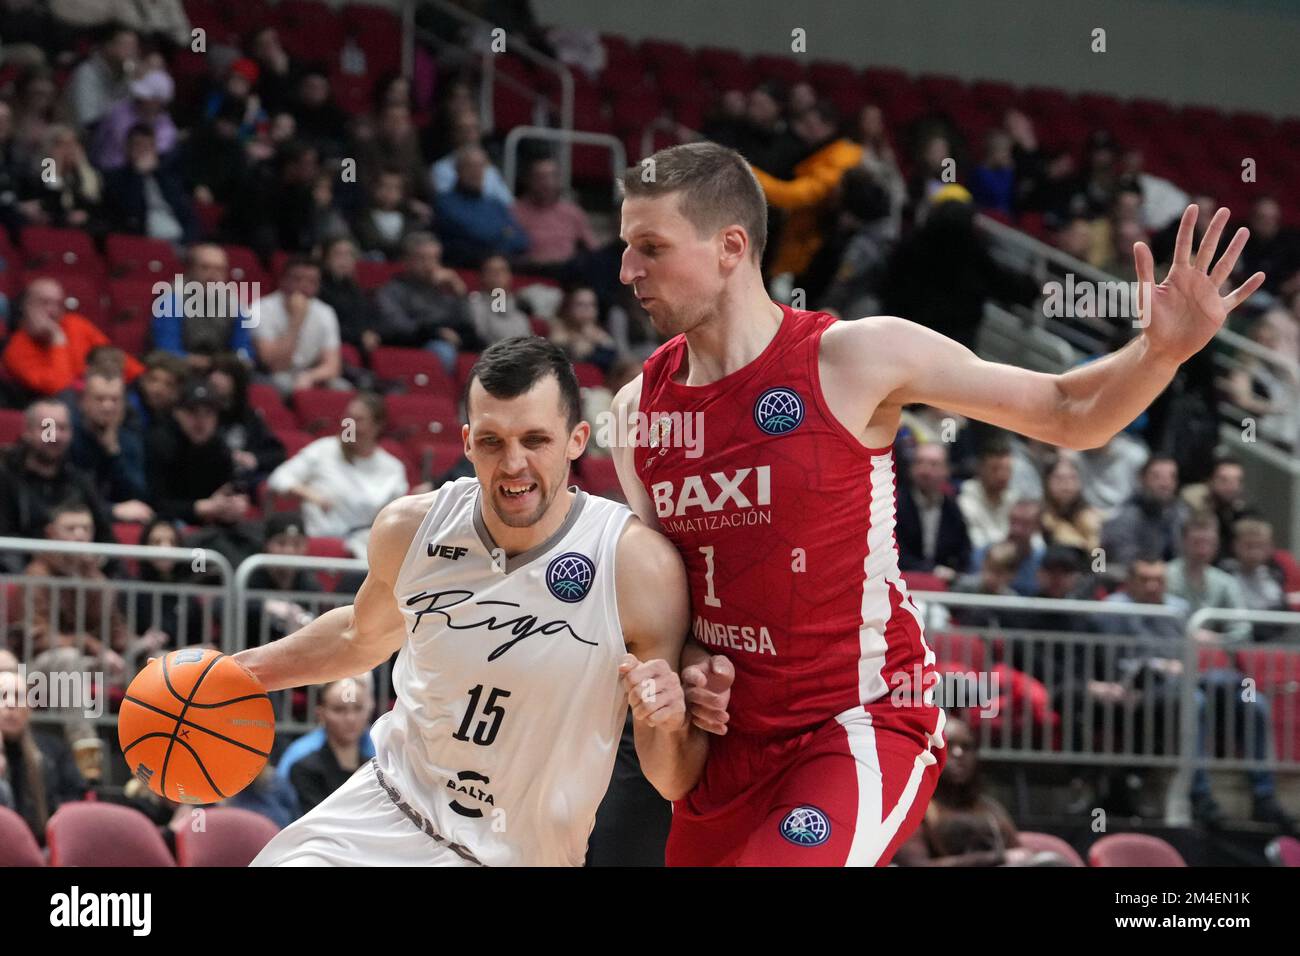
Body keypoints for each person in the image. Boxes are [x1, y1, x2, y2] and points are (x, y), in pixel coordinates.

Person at [609, 141, 1263, 866]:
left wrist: (1159, 353)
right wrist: (694, 670)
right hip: (729, 755)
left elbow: (1065, 408)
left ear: (731, 246)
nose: (627, 271)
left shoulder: (855, 357)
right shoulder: (637, 413)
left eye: (649, 247)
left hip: (855, 726)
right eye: (625, 247)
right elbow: (668, 613)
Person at [242, 337, 709, 867]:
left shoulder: (635, 566)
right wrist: (234, 674)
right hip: (384, 814)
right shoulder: (411, 528)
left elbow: (671, 777)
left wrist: (670, 722)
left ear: (577, 440)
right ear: (466, 441)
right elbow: (358, 637)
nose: (514, 464)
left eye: (536, 440)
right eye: (492, 441)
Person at [265, 393, 407, 560]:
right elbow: (278, 478)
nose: (349, 425)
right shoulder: (323, 450)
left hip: (363, 553)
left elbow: (395, 521)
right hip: (318, 548)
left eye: (359, 420)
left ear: (377, 426)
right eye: (348, 417)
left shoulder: (393, 468)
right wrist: (309, 494)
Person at [894, 718, 1042, 866]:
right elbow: (915, 865)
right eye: (948, 746)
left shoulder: (990, 808)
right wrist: (995, 858)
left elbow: (1020, 856)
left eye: (967, 747)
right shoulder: (913, 807)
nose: (958, 753)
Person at [2, 277, 144, 399]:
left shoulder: (75, 324)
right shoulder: (16, 350)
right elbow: (61, 389)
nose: (53, 311)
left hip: (99, 400)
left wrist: (143, 380)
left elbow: (120, 360)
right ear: (27, 306)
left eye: (58, 304)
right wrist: (57, 339)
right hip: (59, 413)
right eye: (44, 303)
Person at [0, 669, 87, 843]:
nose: (11, 704)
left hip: (45, 846)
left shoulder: (54, 750)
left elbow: (75, 797)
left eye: (18, 696)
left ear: (30, 707)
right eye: (3, 696)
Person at [249, 256, 348, 395]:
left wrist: (310, 376)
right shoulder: (258, 309)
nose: (304, 286)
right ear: (283, 280)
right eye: (298, 279)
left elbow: (332, 365)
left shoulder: (326, 312)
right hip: (274, 375)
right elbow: (275, 365)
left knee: (343, 388)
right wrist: (296, 321)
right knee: (283, 385)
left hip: (309, 373)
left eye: (312, 281)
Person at [150, 244, 254, 368]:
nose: (213, 275)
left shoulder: (233, 302)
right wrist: (211, 364)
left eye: (220, 269)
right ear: (190, 270)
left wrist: (239, 362)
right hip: (178, 371)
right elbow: (167, 352)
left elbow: (243, 349)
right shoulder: (171, 299)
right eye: (205, 268)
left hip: (221, 371)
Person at [289, 676, 375, 814]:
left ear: (369, 710)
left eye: (358, 708)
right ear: (321, 714)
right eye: (339, 709)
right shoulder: (304, 768)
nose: (350, 718)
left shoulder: (375, 768)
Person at [894, 441, 971, 583]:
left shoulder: (952, 508)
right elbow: (895, 554)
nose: (925, 471)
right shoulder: (895, 505)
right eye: (919, 463)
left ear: (946, 470)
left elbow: (963, 553)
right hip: (902, 582)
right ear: (911, 469)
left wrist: (953, 573)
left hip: (944, 587)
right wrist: (931, 571)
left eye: (933, 464)